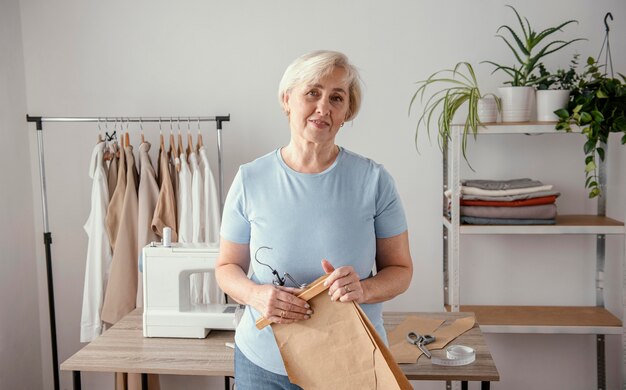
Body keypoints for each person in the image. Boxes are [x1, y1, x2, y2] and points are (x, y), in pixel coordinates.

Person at [215, 50, 413, 390]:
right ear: (287, 99)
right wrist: (257, 295)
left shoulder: (374, 181)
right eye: (313, 93)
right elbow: (226, 268)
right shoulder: (250, 179)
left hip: (351, 363)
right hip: (265, 365)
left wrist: (363, 289)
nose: (324, 107)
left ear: (346, 113)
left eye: (337, 98)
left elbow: (401, 271)